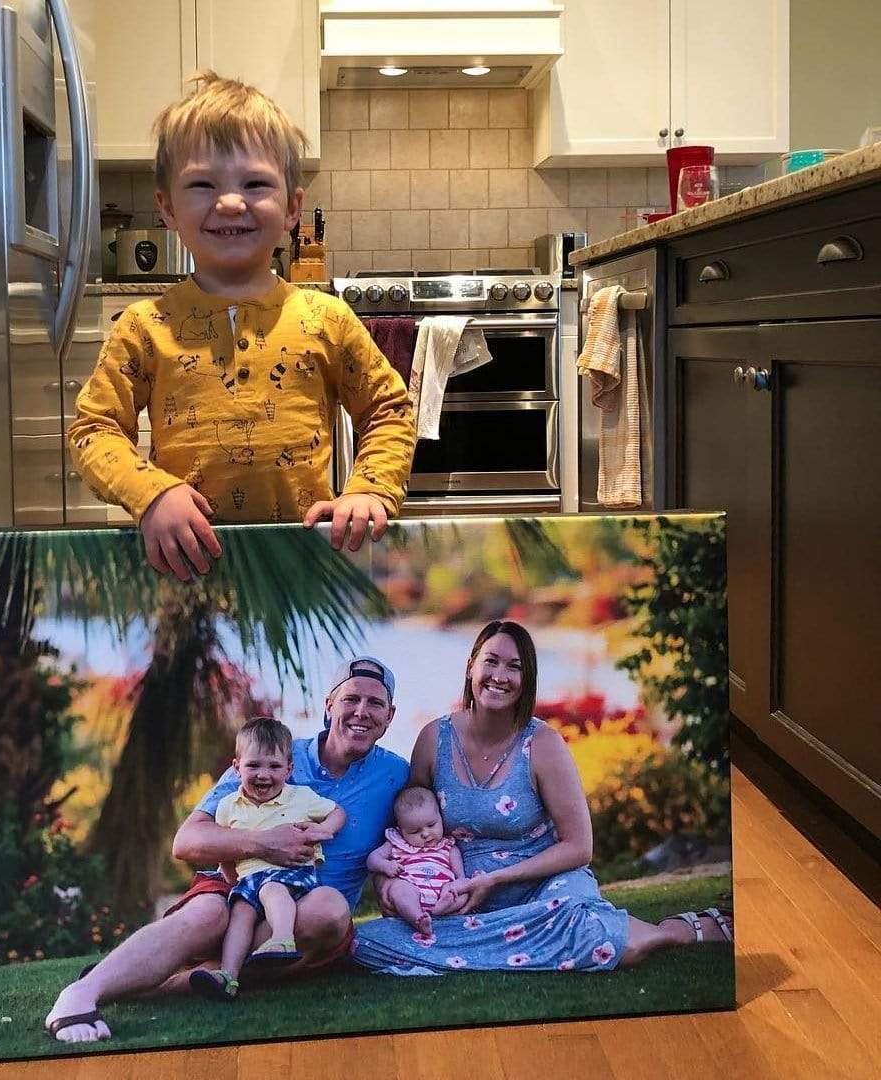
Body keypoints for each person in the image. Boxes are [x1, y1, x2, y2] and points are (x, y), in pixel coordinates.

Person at [67, 72, 415, 580]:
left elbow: (388, 407)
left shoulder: (326, 318)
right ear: (167, 207)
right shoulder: (144, 327)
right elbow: (94, 430)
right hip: (185, 567)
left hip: (303, 566)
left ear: (293, 208)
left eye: (255, 184)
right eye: (204, 184)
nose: (230, 202)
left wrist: (368, 488)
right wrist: (151, 493)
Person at [44, 656, 408, 1042]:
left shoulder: (396, 775)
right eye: (351, 699)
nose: (362, 713)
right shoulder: (274, 754)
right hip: (237, 886)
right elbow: (186, 841)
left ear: (391, 715)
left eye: (376, 704)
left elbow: (425, 836)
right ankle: (81, 994)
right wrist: (266, 844)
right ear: (329, 705)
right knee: (209, 915)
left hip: (304, 917)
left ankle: (169, 982)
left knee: (330, 910)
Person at [353, 620, 734, 975]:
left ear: (526, 678)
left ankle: (673, 932)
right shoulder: (435, 738)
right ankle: (522, 939)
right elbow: (407, 823)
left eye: (514, 667)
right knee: (368, 942)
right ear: (471, 667)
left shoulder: (543, 745)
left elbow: (579, 848)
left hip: (546, 889)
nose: (500, 677)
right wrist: (388, 887)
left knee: (590, 930)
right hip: (461, 896)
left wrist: (498, 879)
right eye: (491, 662)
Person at [189, 716, 346, 1001]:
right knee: (239, 915)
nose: (264, 774)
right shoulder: (227, 806)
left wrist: (324, 829)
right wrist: (230, 878)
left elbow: (338, 812)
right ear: (237, 768)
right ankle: (228, 976)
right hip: (248, 880)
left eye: (274, 766)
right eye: (253, 765)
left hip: (291, 872)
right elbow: (226, 849)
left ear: (289, 769)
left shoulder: (301, 796)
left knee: (271, 889)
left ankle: (282, 940)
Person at [366, 785, 465, 937]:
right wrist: (386, 865)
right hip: (412, 888)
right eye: (414, 831)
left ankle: (439, 909)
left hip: (443, 893)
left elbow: (460, 877)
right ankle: (417, 918)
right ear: (400, 830)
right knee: (400, 889)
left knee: (461, 890)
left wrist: (458, 884)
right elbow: (372, 859)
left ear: (440, 817)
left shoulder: (449, 847)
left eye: (431, 825)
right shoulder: (397, 843)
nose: (425, 834)